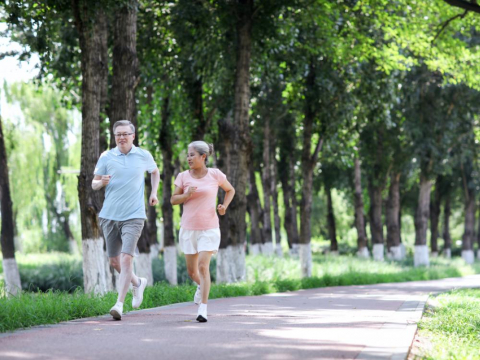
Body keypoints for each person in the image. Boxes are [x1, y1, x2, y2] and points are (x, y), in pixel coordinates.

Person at [92, 120, 160, 320]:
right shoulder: (107, 156)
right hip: (109, 215)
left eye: (125, 134)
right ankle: (137, 283)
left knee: (126, 258)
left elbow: (155, 172)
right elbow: (94, 184)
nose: (121, 137)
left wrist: (153, 193)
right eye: (118, 134)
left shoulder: (143, 155)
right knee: (115, 261)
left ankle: (119, 304)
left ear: (133, 135)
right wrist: (101, 182)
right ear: (114, 137)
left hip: (134, 215)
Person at [171, 141, 235, 322]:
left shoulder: (215, 174)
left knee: (203, 267)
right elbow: (173, 200)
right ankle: (202, 286)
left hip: (209, 228)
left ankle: (203, 309)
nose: (189, 158)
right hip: (188, 229)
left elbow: (230, 190)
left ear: (203, 157)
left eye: (192, 155)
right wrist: (186, 195)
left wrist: (224, 206)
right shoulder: (183, 176)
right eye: (188, 155)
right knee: (193, 273)